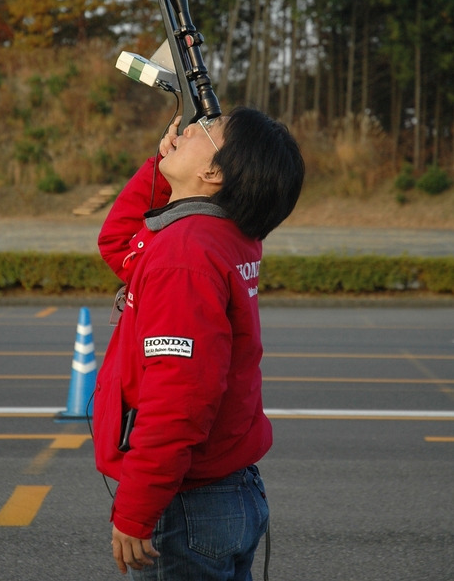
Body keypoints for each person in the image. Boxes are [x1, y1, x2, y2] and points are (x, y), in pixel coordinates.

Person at [93, 106, 305, 579]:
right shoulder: (223, 233)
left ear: (214, 173)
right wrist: (162, 167)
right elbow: (122, 244)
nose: (187, 128)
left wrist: (136, 508)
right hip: (226, 488)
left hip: (187, 505)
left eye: (205, 129)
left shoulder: (184, 255)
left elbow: (178, 399)